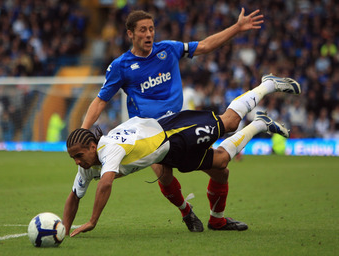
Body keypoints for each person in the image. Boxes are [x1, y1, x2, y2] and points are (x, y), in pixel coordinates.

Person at [80, 9, 264, 232]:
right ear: (130, 34)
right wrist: (82, 132)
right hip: (150, 134)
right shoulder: (121, 66)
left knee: (221, 171)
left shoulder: (168, 49)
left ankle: (217, 219)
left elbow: (204, 46)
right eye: (142, 30)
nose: (149, 34)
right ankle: (186, 212)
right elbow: (100, 101)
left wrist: (236, 28)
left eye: (151, 29)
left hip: (181, 125)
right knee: (164, 174)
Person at [63, 74, 301, 236]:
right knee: (220, 161)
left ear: (93, 147)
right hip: (166, 152)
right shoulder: (86, 165)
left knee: (229, 122)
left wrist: (93, 221)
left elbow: (105, 184)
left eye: (78, 155)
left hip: (173, 132)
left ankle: (267, 85)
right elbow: (75, 195)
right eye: (73, 157)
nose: (77, 161)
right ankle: (259, 124)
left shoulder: (109, 150)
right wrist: (63, 228)